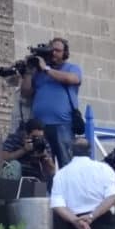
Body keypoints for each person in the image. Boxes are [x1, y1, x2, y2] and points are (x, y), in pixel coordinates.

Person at [20, 37, 82, 167]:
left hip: (62, 125)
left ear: (65, 54)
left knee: (66, 164)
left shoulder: (71, 68)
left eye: (58, 51)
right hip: (40, 128)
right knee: (43, 164)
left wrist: (46, 69)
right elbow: (25, 93)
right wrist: (29, 73)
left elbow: (71, 79)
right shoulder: (39, 72)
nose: (53, 53)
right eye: (51, 50)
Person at [1, 118, 56, 187]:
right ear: (26, 134)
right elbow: (3, 157)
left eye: (40, 137)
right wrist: (24, 150)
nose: (38, 140)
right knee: (15, 164)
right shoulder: (14, 138)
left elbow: (52, 171)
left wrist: (46, 158)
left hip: (35, 177)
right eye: (35, 137)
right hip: (17, 175)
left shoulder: (43, 143)